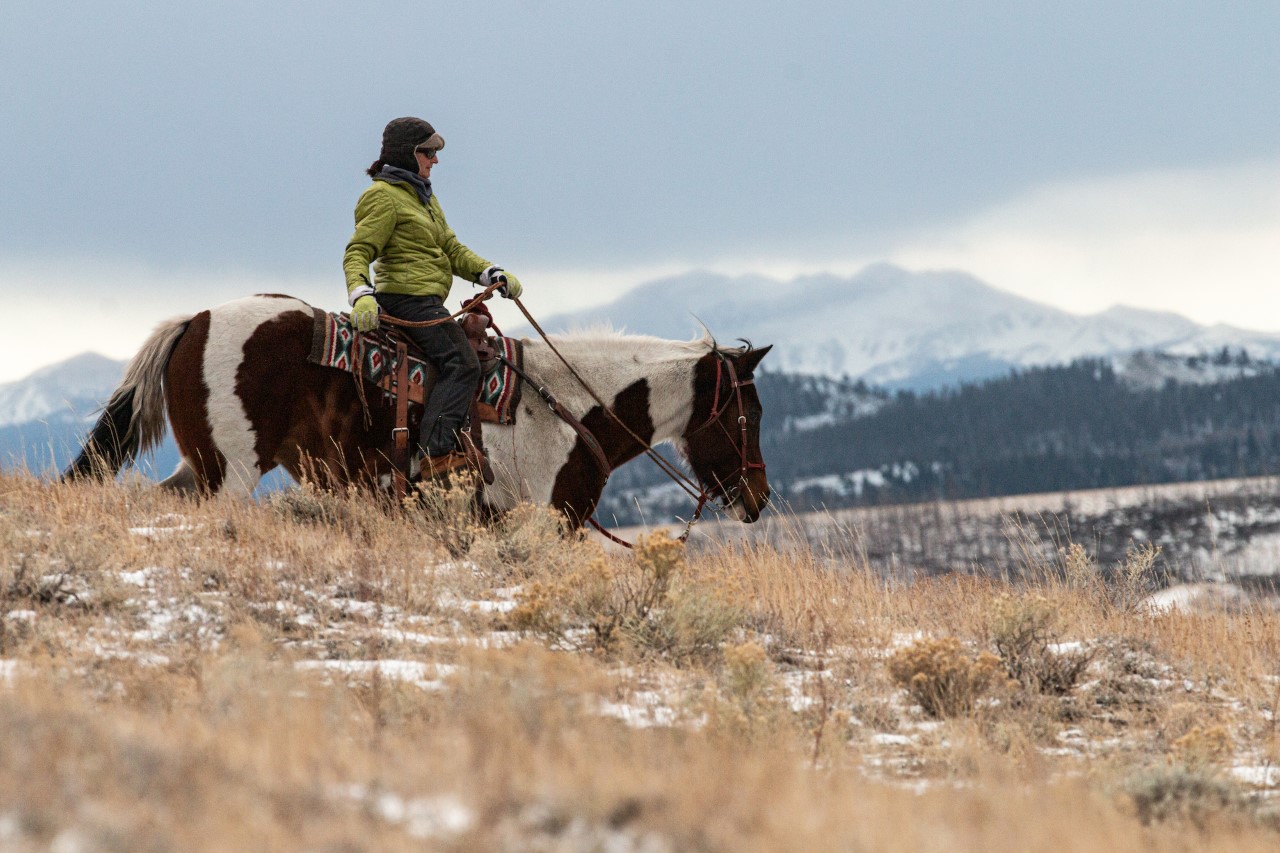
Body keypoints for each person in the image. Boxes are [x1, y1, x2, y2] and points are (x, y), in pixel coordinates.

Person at [343, 116, 522, 479]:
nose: (435, 160)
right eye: (428, 152)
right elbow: (358, 251)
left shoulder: (423, 196)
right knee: (463, 363)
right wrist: (361, 294)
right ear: (408, 154)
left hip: (427, 301)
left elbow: (451, 248)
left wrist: (491, 273)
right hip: (408, 300)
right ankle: (435, 455)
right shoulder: (382, 197)